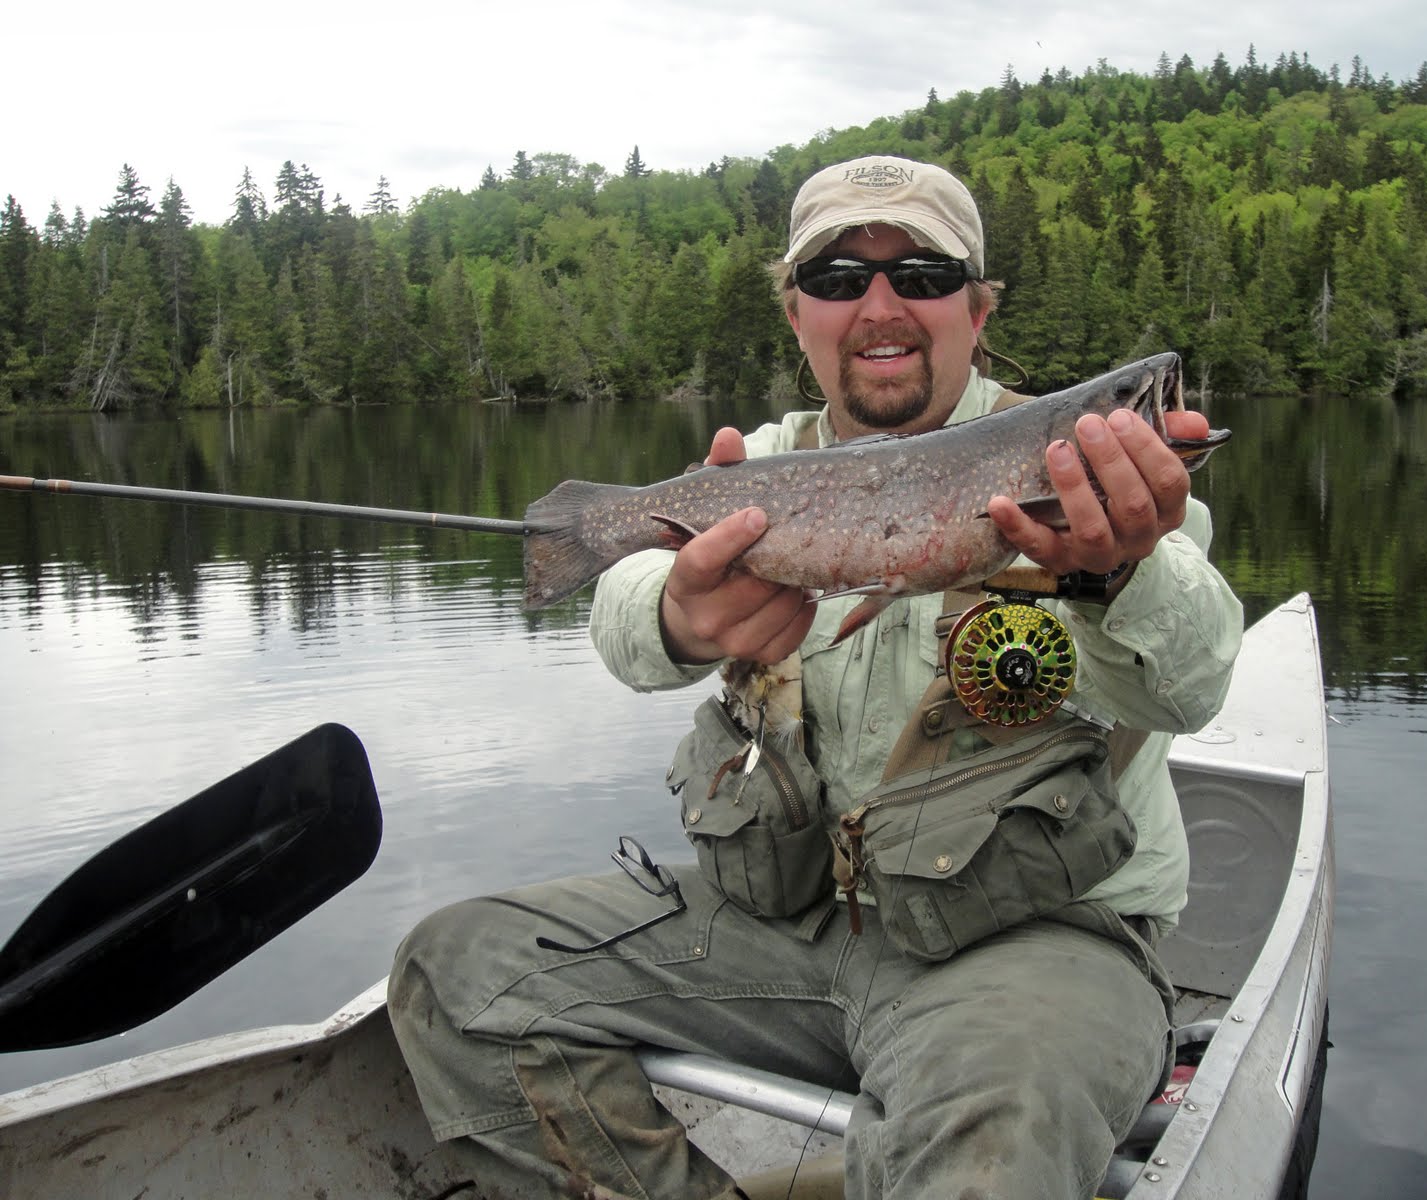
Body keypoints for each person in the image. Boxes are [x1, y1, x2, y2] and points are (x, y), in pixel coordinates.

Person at [389, 154, 1244, 1199]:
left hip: (1036, 944)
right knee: (455, 973)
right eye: (838, 280)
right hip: (785, 927)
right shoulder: (754, 466)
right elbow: (624, 610)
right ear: (796, 314)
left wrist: (1118, 566)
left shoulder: (1111, 481)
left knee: (992, 1129)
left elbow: (1192, 680)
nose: (879, 306)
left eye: (922, 275)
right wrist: (676, 614)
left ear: (977, 308)